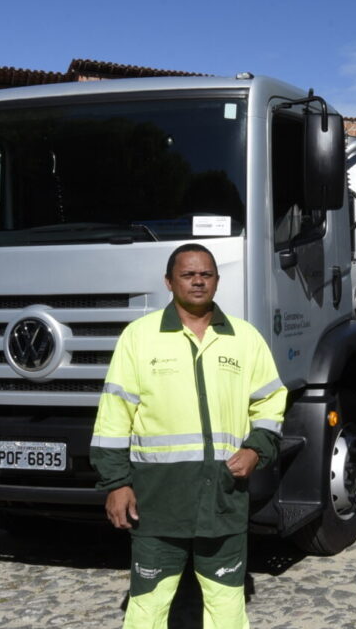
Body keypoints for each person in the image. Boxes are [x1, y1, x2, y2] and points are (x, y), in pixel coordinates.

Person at [92, 243, 287, 629]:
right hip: (157, 501)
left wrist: (255, 449)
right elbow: (114, 417)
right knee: (146, 608)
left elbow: (270, 403)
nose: (198, 280)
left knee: (227, 608)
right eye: (187, 274)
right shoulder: (139, 337)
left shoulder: (245, 339)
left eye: (206, 274)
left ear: (216, 280)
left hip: (223, 500)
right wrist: (116, 484)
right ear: (169, 281)